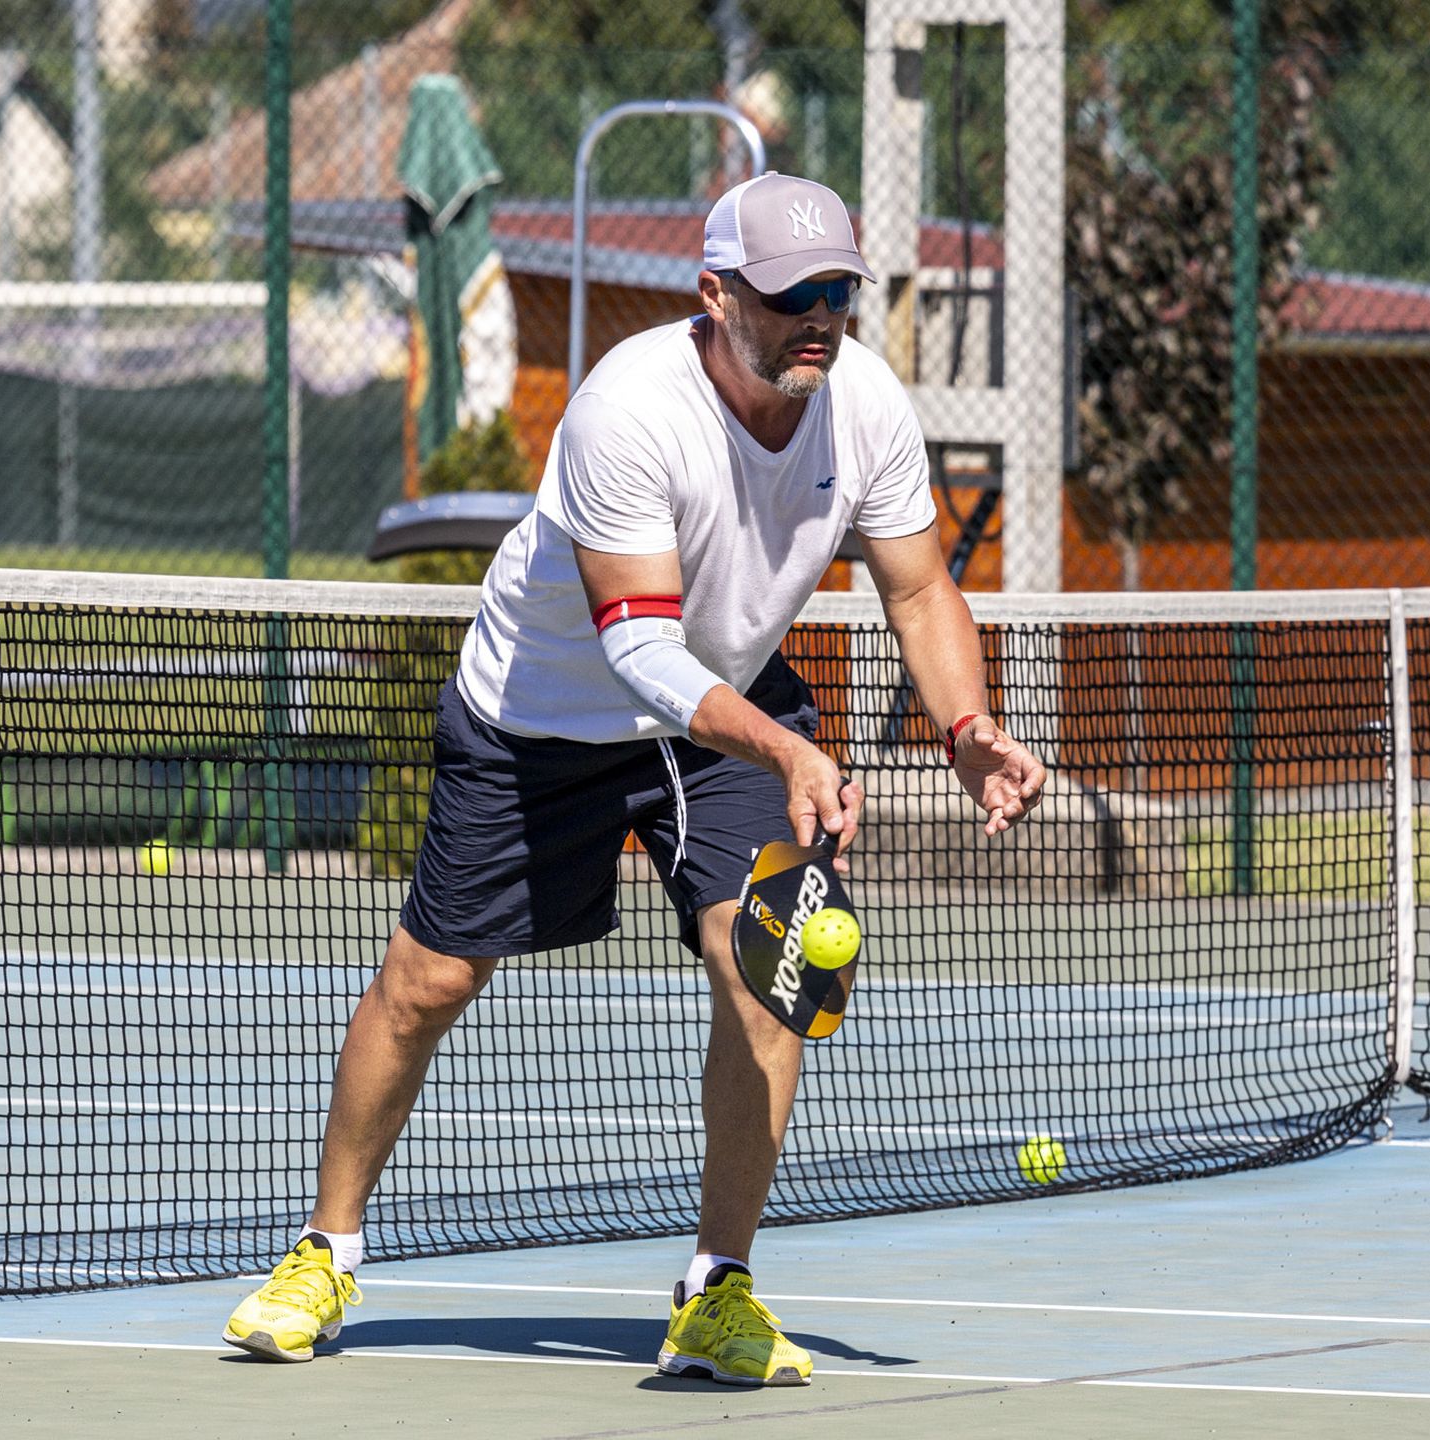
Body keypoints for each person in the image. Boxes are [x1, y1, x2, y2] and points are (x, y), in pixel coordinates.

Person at [223, 172, 1046, 1386]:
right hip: (546, 711)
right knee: (430, 978)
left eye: (839, 291)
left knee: (765, 969)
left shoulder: (863, 401)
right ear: (715, 296)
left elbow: (918, 587)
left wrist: (966, 723)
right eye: (791, 294)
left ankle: (719, 1291)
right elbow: (638, 648)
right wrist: (785, 747)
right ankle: (323, 1251)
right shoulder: (626, 410)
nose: (821, 315)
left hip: (728, 695)